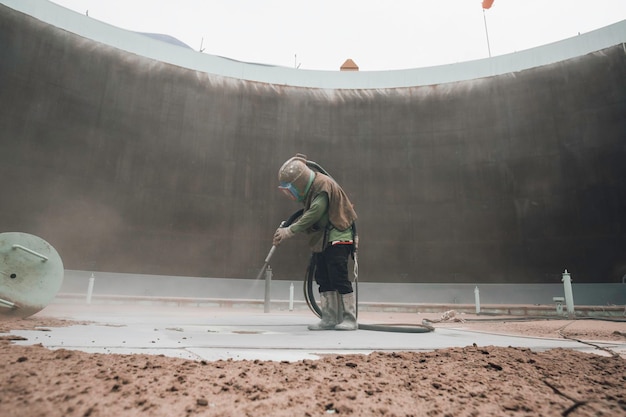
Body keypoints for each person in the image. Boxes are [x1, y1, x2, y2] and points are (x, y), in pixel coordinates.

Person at [273, 154, 358, 331]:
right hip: (323, 239)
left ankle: (349, 318)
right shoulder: (312, 189)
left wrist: (290, 230)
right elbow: (310, 215)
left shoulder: (323, 184)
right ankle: (329, 318)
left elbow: (315, 213)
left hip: (338, 236)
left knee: (338, 276)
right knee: (323, 277)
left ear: (300, 182)